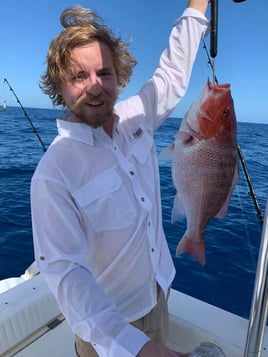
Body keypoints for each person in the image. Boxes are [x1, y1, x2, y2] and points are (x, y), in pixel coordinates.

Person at [31, 1, 210, 356]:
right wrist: (135, 347)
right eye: (79, 76)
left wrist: (198, 6)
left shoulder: (136, 119)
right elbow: (67, 274)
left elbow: (171, 75)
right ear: (60, 86)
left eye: (104, 73)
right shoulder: (53, 172)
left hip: (159, 296)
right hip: (109, 330)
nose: (95, 86)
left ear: (119, 75)